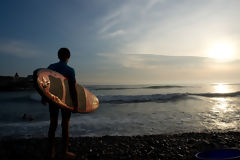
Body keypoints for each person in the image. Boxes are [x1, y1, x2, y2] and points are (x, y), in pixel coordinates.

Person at [41, 48, 78, 159]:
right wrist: (75, 104)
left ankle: (50, 152)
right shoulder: (70, 70)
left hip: (53, 99)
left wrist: (44, 97)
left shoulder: (51, 67)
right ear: (69, 56)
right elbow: (73, 89)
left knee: (53, 125)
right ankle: (64, 152)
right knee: (65, 125)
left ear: (58, 56)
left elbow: (45, 83)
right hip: (65, 101)